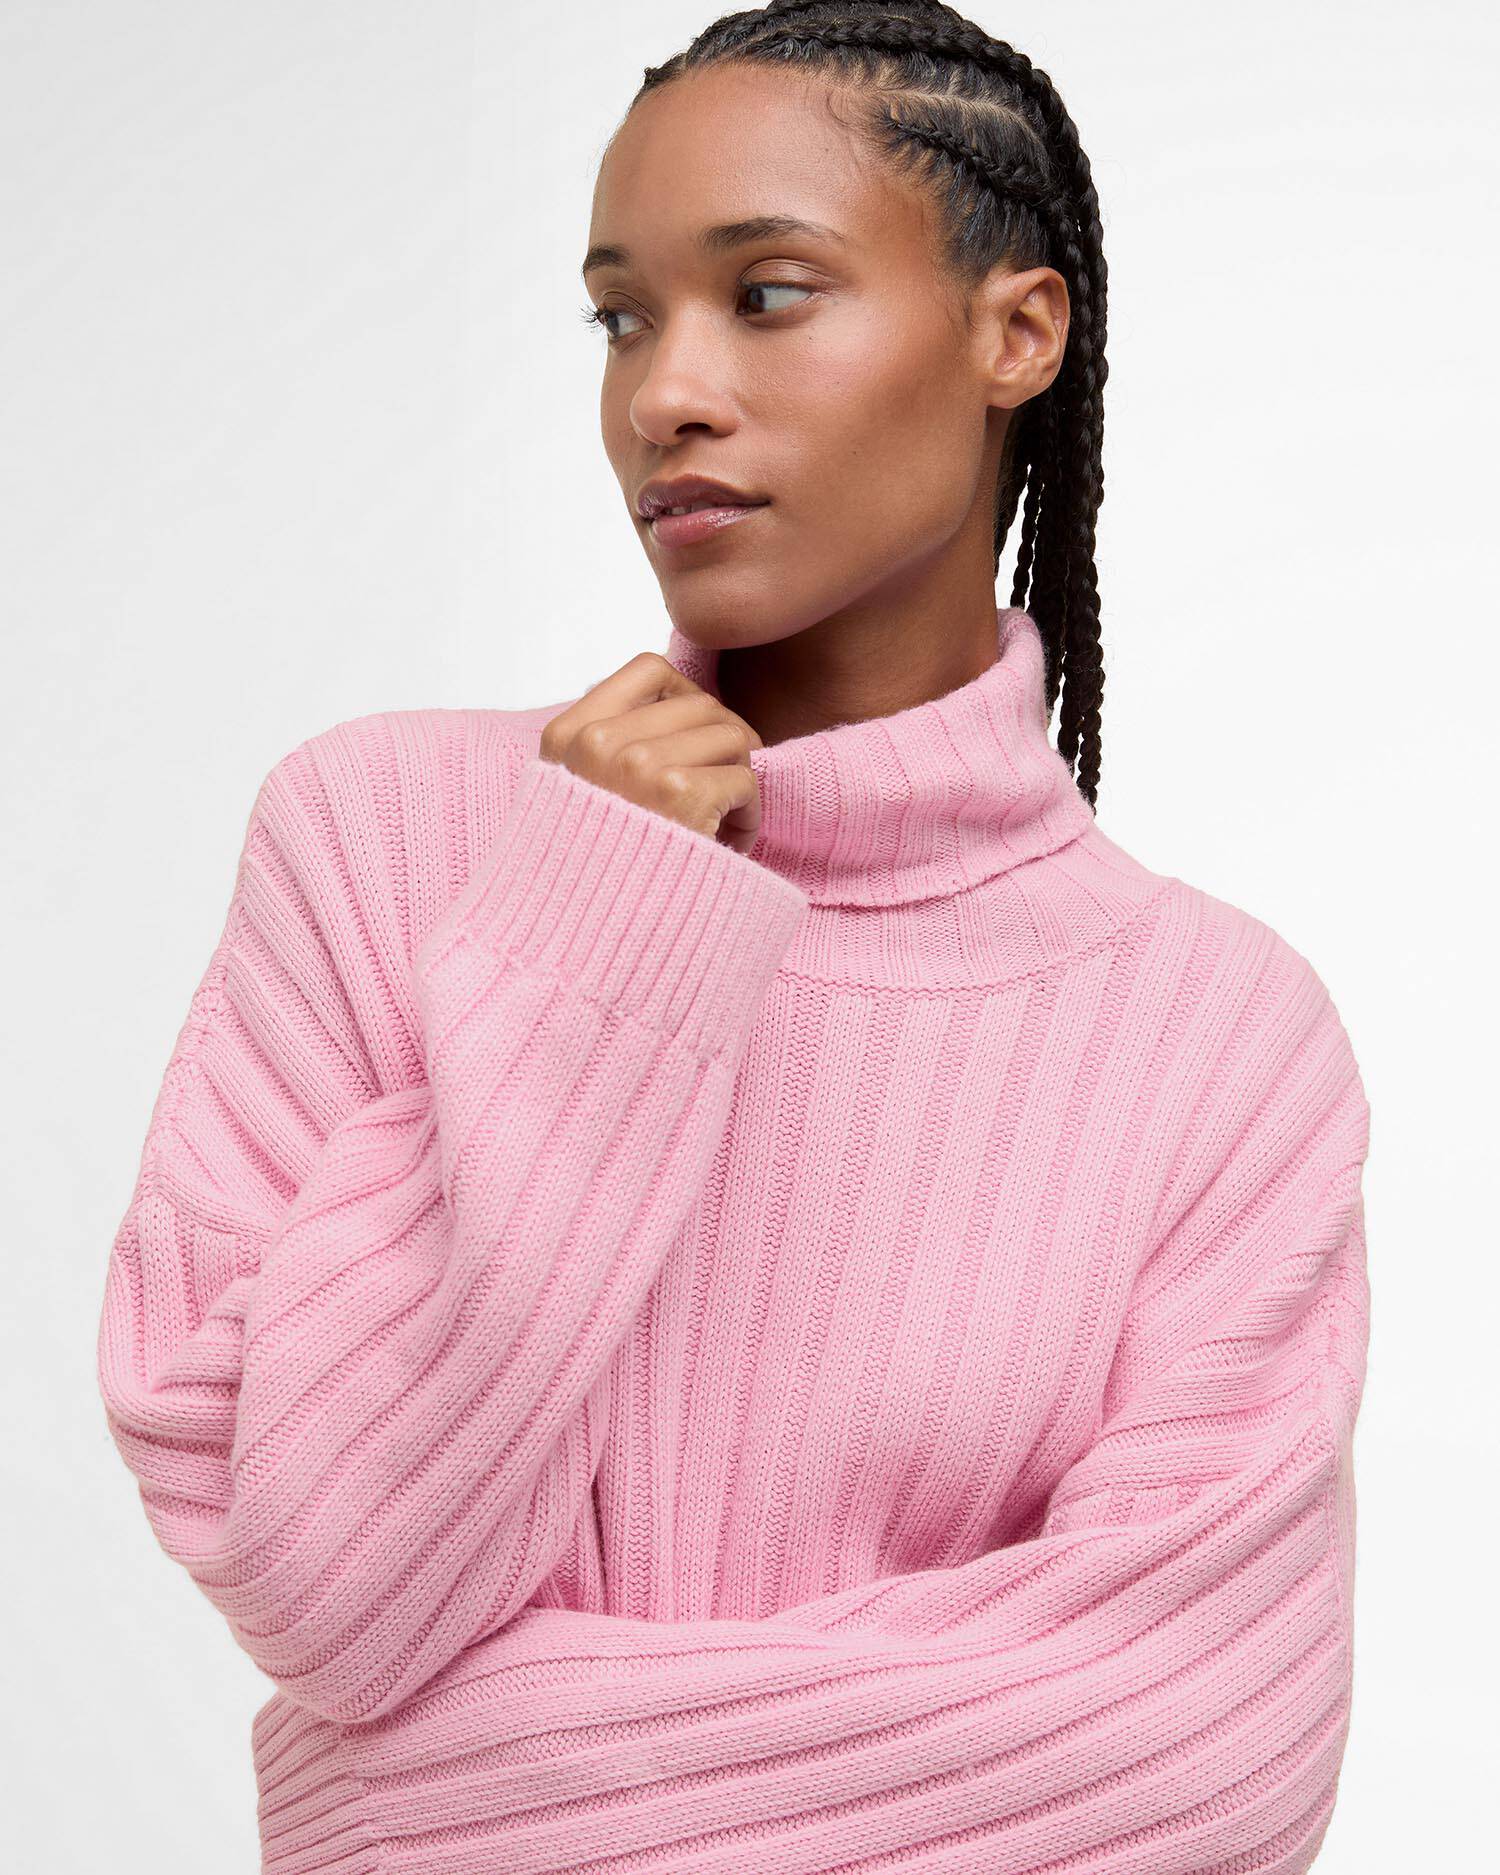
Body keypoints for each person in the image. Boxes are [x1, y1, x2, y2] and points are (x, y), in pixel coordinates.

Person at [96, 4, 1371, 1870]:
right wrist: (597, 930)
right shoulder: (384, 839)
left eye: (768, 295)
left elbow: (1195, 1758)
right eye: (621, 317)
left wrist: (445, 1800)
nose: (664, 395)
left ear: (1016, 334)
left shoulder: (1220, 1035)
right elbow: (327, 1591)